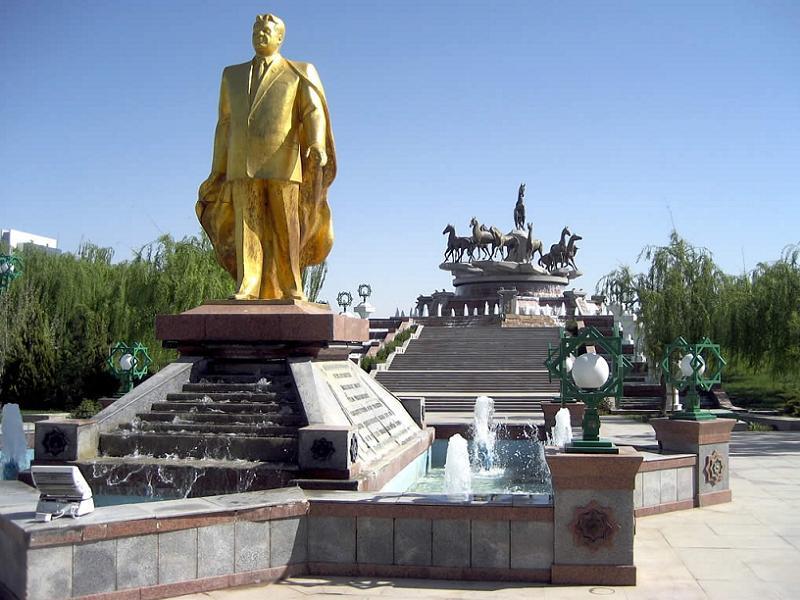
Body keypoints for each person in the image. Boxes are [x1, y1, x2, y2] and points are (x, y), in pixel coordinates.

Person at [197, 13, 336, 300]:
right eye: (256, 30)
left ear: (280, 38)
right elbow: (224, 123)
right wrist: (218, 167)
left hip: (283, 163)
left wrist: (316, 143)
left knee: (287, 227)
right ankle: (248, 283)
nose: (261, 34)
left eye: (267, 31)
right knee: (247, 226)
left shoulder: (299, 71)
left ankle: (291, 284)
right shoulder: (231, 75)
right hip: (240, 162)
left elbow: (312, 111)